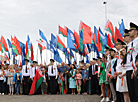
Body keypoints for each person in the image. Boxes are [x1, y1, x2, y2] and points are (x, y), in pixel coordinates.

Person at [127, 22, 138, 102]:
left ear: (136, 32)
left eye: (131, 30)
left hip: (137, 68)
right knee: (133, 93)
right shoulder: (132, 44)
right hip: (134, 70)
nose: (129, 32)